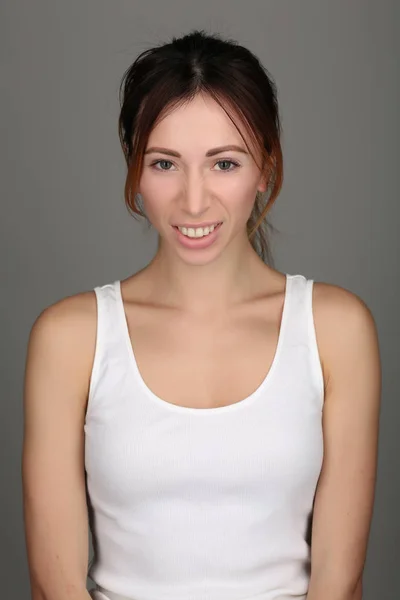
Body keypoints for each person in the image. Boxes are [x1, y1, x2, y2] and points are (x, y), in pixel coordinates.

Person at [22, 29, 381, 600]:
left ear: (265, 167)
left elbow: (340, 583)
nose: (194, 201)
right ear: (135, 172)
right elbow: (53, 584)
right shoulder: (69, 339)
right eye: (165, 164)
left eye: (224, 164)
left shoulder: (336, 331)